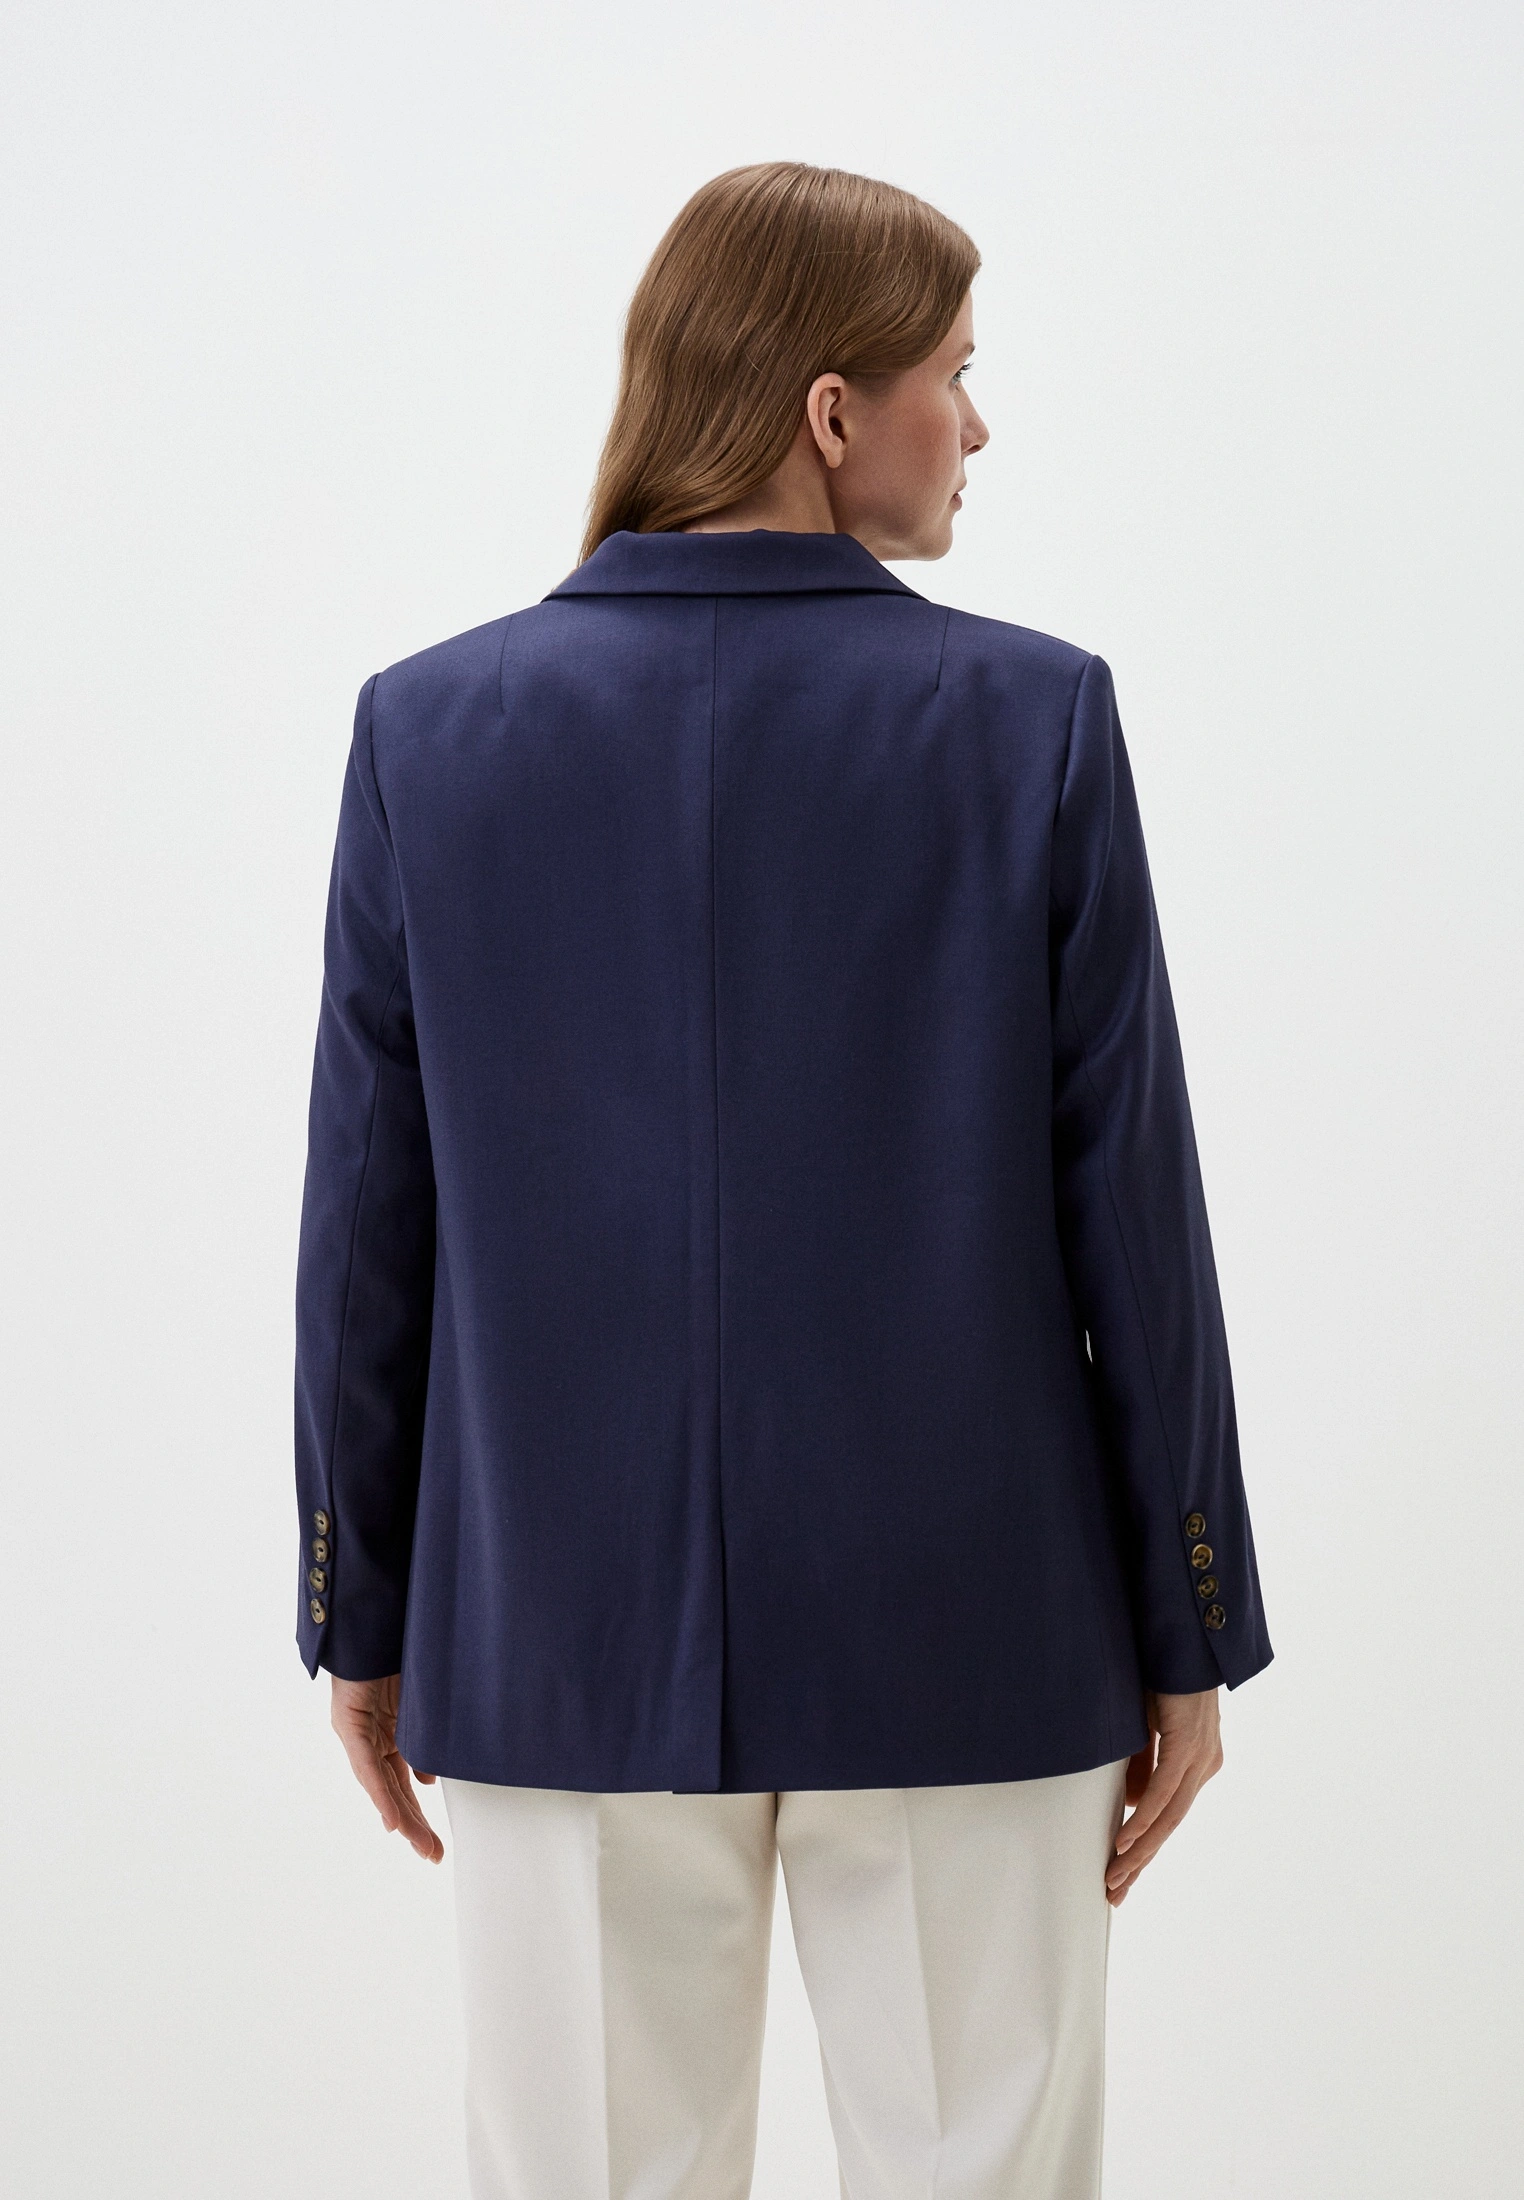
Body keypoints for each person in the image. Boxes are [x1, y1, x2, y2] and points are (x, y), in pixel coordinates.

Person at [294, 161, 1271, 2200]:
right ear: (832, 413)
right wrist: (1189, 1620)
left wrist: (358, 1607)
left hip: (558, 1627)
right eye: (953, 376)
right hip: (974, 1630)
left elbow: (371, 1231)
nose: (978, 425)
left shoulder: (430, 733)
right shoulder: (1031, 720)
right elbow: (1136, 1224)